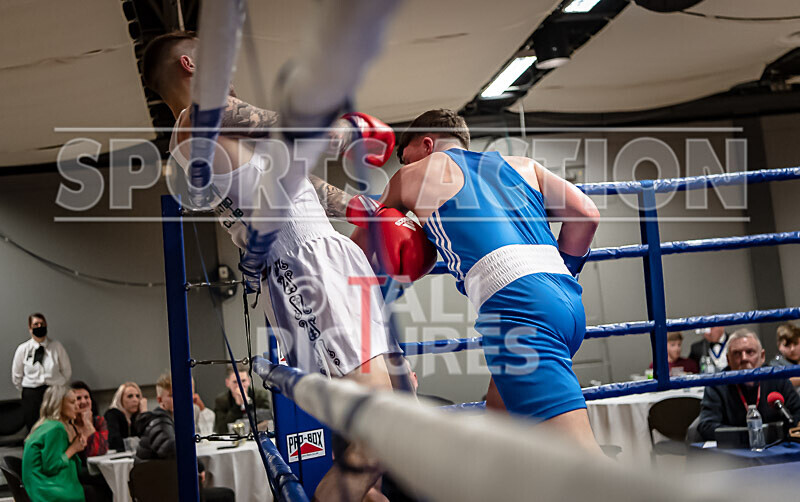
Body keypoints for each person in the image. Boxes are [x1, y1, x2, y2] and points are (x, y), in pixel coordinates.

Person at [355, 108, 602, 454]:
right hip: (566, 299)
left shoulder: (409, 177)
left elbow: (357, 252)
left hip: (520, 312)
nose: (404, 166)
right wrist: (562, 272)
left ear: (426, 145)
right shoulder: (523, 165)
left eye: (406, 158)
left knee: (584, 463)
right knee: (501, 428)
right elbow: (587, 214)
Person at [135, 374, 234, 502]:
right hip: (162, 490)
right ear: (160, 400)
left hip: (164, 486)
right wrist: (198, 466)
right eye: (172, 395)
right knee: (225, 495)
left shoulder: (172, 419)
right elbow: (170, 448)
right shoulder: (160, 421)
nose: (180, 397)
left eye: (186, 392)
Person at [697, 329, 800, 440]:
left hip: (776, 445)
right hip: (734, 449)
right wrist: (752, 435)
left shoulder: (777, 378)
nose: (744, 358)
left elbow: (797, 414)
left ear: (762, 356)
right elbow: (707, 426)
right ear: (728, 359)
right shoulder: (717, 384)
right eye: (737, 354)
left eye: (750, 352)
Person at [22, 385, 107, 502]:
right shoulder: (56, 428)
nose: (77, 406)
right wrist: (74, 448)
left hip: (40, 485)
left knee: (98, 483)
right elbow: (51, 466)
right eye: (72, 402)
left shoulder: (46, 424)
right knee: (101, 490)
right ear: (59, 405)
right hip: (47, 490)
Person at [12, 313, 72, 431]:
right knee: (34, 426)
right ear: (30, 328)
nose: (39, 327)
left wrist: (59, 387)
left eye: (42, 324)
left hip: (53, 391)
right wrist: (27, 388)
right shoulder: (23, 349)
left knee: (56, 424)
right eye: (36, 324)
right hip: (32, 393)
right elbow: (16, 375)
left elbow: (66, 371)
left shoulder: (56, 347)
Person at [213, 364, 270, 434]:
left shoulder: (260, 396)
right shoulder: (221, 401)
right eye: (235, 382)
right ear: (228, 383)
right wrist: (237, 406)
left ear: (248, 381)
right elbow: (221, 429)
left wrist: (248, 403)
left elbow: (267, 421)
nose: (240, 386)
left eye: (243, 381)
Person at [104, 381, 147, 452]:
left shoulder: (136, 417)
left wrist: (144, 414)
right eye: (130, 396)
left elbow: (149, 440)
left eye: (137, 396)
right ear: (120, 399)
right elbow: (114, 442)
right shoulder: (112, 414)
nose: (135, 400)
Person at [70, 381, 109, 457]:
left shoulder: (99, 421)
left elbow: (101, 450)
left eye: (86, 397)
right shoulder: (68, 424)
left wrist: (88, 423)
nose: (83, 401)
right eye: (78, 398)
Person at [769, 323, 800, 391]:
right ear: (779, 346)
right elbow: (783, 382)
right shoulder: (775, 364)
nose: (792, 349)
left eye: (795, 344)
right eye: (787, 345)